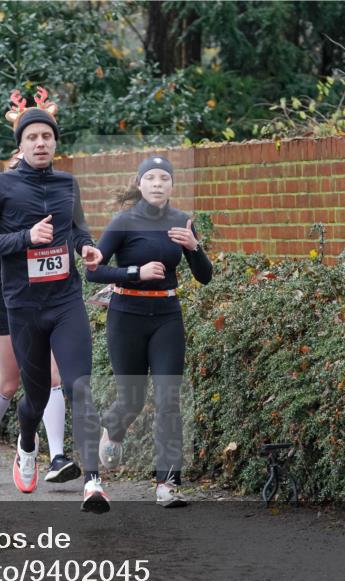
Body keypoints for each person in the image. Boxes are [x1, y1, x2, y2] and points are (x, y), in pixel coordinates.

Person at [0, 87, 109, 513]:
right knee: (32, 398)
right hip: (23, 306)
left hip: (65, 301)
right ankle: (26, 443)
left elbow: (79, 230)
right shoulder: (0, 186)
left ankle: (93, 482)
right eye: (32, 137)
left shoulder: (69, 184)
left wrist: (88, 248)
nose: (41, 143)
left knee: (78, 386)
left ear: (55, 142)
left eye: (47, 136)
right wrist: (26, 238)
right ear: (21, 145)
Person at [85, 155, 213, 507]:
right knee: (133, 399)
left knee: (168, 398)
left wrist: (193, 247)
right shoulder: (123, 222)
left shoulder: (181, 222)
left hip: (167, 316)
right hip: (127, 315)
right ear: (139, 184)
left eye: (164, 178)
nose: (158, 184)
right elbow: (93, 273)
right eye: (151, 178)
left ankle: (167, 484)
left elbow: (204, 276)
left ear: (172, 185)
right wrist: (134, 273)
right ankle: (113, 428)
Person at [0, 247, 81, 483]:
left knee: (52, 377)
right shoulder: (4, 212)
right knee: (10, 383)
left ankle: (57, 457)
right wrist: (22, 244)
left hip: (48, 303)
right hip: (7, 304)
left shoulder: (56, 212)